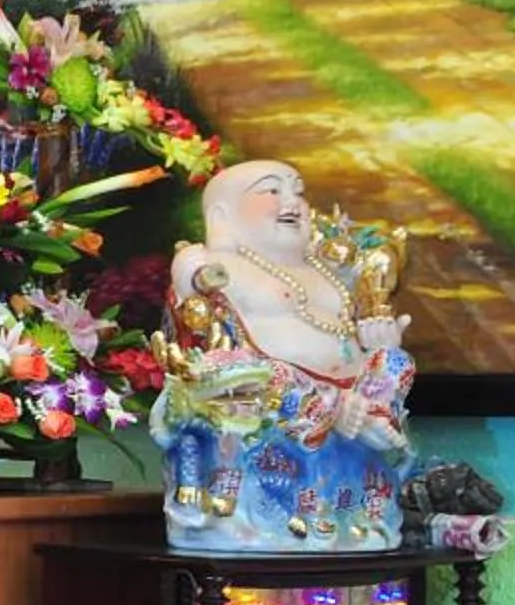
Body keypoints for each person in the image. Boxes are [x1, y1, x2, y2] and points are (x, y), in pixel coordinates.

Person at [154, 158, 414, 551]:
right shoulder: (216, 261)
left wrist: (379, 340)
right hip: (276, 392)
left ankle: (374, 422)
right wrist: (198, 272)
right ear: (223, 214)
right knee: (253, 375)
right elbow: (189, 281)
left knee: (397, 361)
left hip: (355, 393)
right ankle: (338, 416)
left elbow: (357, 325)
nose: (291, 200)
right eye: (272, 190)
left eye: (298, 190)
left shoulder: (325, 271)